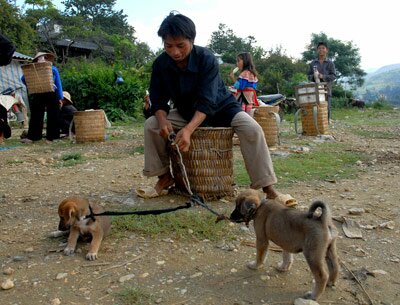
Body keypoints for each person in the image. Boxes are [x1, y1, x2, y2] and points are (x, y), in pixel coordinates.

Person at [140, 12, 279, 200]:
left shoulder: (206, 58)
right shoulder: (161, 64)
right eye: (168, 46)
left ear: (192, 40)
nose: (175, 52)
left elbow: (207, 101)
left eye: (181, 45)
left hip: (223, 108)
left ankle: (267, 188)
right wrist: (163, 120)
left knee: (252, 129)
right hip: (187, 111)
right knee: (152, 125)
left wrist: (188, 130)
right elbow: (157, 99)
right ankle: (164, 177)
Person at [21, 52, 63, 144]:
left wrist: (60, 97)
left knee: (53, 114)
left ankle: (51, 138)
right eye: (40, 58)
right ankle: (33, 137)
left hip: (52, 92)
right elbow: (24, 79)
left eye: (44, 57)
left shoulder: (52, 69)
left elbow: (58, 83)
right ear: (36, 60)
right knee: (36, 114)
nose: (42, 59)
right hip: (38, 92)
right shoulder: (32, 70)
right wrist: (31, 85)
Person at [307, 42, 336, 122]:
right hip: (315, 90)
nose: (321, 50)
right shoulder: (313, 63)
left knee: (326, 108)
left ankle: (325, 127)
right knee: (316, 107)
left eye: (323, 48)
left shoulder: (330, 63)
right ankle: (316, 126)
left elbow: (333, 76)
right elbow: (308, 76)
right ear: (317, 50)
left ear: (327, 50)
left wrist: (322, 76)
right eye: (319, 48)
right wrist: (314, 76)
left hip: (326, 89)